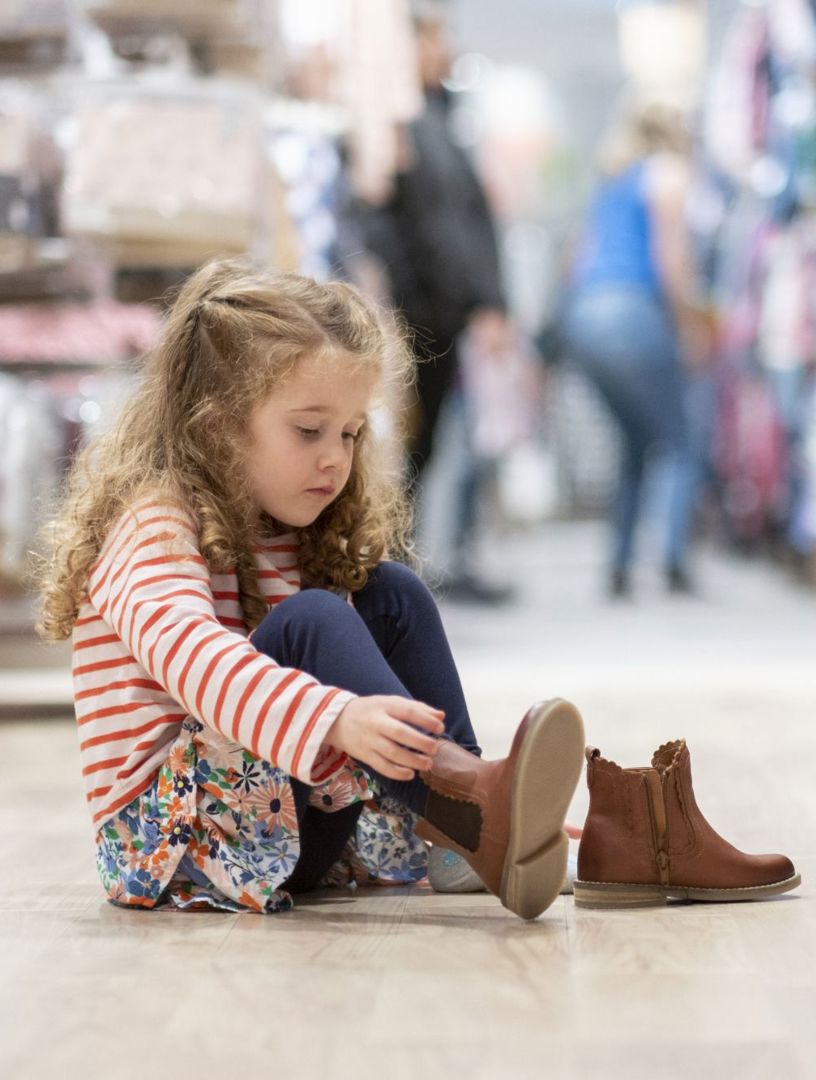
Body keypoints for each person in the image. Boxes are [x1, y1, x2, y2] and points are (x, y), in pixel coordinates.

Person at [35, 258, 585, 920]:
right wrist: (334, 717)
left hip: (279, 826)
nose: (336, 456)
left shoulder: (290, 528)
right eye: (308, 430)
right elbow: (194, 659)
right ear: (218, 423)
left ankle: (464, 827)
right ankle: (470, 810)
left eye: (351, 433)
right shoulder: (154, 523)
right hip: (173, 845)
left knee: (391, 593)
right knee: (312, 620)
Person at [367, 1, 513, 604]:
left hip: (443, 315)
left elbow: (472, 221)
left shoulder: (442, 121)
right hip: (412, 312)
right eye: (432, 39)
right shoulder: (393, 122)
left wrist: (491, 302)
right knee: (402, 446)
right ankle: (389, 573)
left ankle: (403, 571)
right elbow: (391, 223)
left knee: (425, 447)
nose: (443, 51)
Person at [563, 98, 715, 599]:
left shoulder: (610, 180)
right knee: (680, 441)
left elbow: (575, 260)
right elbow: (671, 262)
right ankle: (673, 562)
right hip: (633, 314)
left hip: (585, 317)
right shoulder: (667, 173)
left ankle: (620, 564)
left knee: (633, 443)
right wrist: (691, 323)